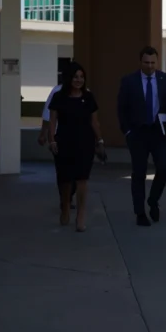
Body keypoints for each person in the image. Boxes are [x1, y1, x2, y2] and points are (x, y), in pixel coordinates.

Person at [117, 46, 166, 226]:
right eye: (146, 63)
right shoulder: (129, 81)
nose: (150, 66)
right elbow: (122, 109)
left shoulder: (165, 80)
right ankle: (140, 212)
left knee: (164, 168)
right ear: (140, 62)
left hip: (159, 132)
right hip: (138, 133)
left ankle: (153, 200)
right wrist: (127, 131)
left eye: (153, 63)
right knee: (139, 174)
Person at [47, 62, 106, 232]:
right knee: (65, 180)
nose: (79, 80)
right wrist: (52, 140)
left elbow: (94, 122)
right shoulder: (58, 97)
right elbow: (52, 121)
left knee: (82, 179)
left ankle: (81, 215)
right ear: (68, 78)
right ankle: (65, 205)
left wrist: (100, 141)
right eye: (75, 77)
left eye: (81, 77)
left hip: (85, 143)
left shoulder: (88, 97)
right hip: (63, 143)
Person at [39, 82, 76, 209]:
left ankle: (69, 195)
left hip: (78, 139)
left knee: (76, 172)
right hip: (59, 138)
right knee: (62, 170)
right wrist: (44, 134)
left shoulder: (84, 92)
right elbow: (47, 114)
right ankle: (65, 199)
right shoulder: (57, 92)